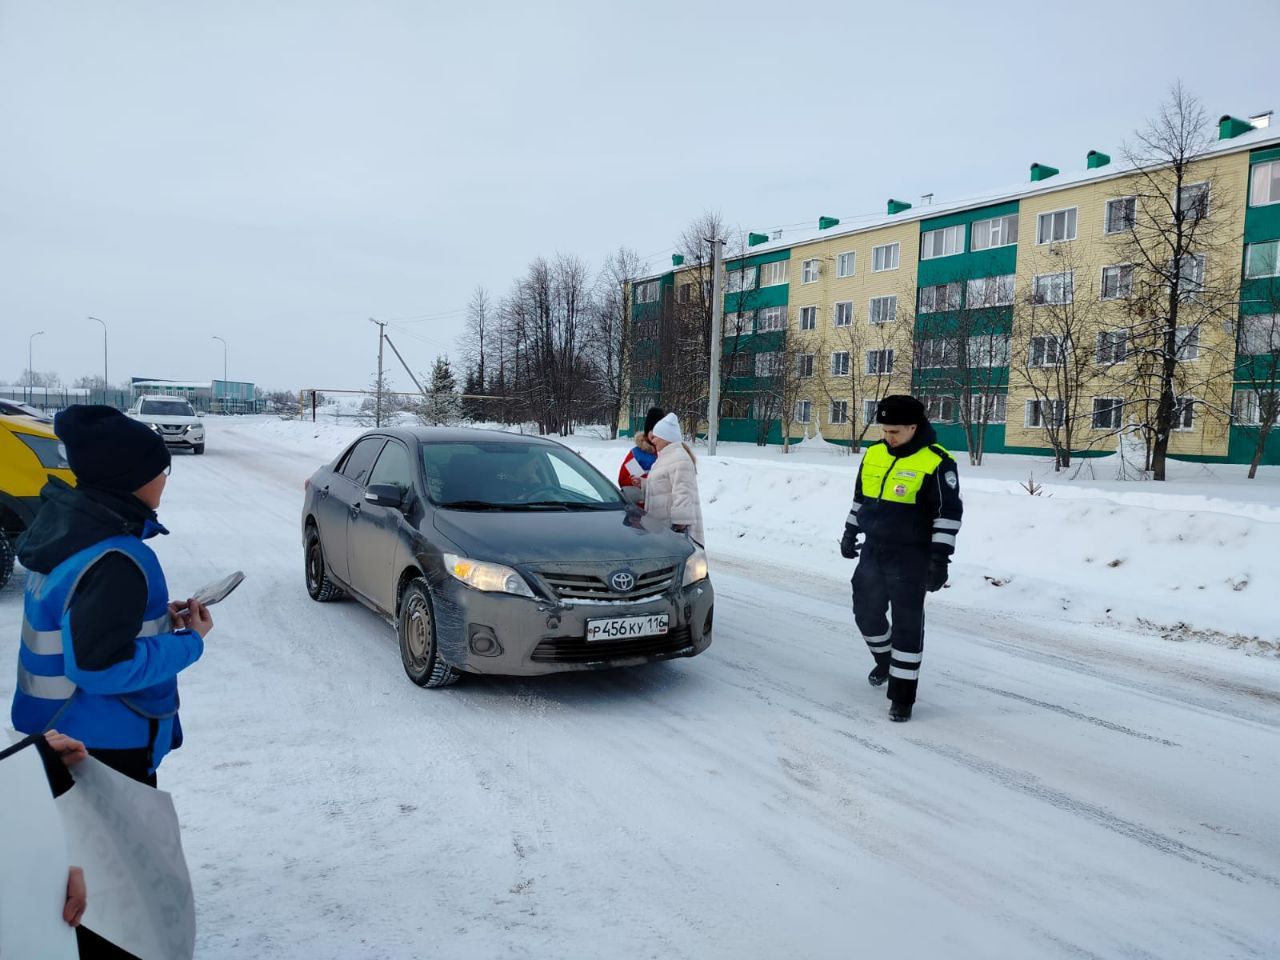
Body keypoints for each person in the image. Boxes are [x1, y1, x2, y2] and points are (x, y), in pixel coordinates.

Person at [11, 405, 212, 787]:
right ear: (130, 478)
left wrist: (147, 619)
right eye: (161, 470)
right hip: (100, 750)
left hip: (59, 736)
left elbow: (78, 619)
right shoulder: (115, 560)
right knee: (121, 848)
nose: (164, 480)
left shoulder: (68, 533)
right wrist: (190, 642)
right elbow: (100, 667)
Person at [840, 395, 962, 723]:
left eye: (895, 431)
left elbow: (947, 515)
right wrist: (851, 532)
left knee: (908, 626)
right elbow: (861, 499)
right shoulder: (875, 453)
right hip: (874, 551)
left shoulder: (936, 461)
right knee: (866, 613)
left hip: (912, 556)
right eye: (884, 430)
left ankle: (902, 697)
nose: (888, 437)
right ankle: (884, 660)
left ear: (914, 426)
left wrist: (940, 559)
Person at [643, 412, 705, 545]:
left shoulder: (679, 458)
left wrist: (679, 527)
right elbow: (664, 484)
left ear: (666, 438)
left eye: (656, 437)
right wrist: (643, 484)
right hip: (663, 529)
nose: (653, 441)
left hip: (674, 532)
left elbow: (683, 492)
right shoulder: (666, 457)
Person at [618, 406, 665, 502]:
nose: (655, 435)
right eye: (652, 430)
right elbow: (622, 480)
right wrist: (641, 482)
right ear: (647, 431)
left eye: (659, 431)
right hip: (640, 507)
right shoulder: (636, 453)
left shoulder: (668, 452)